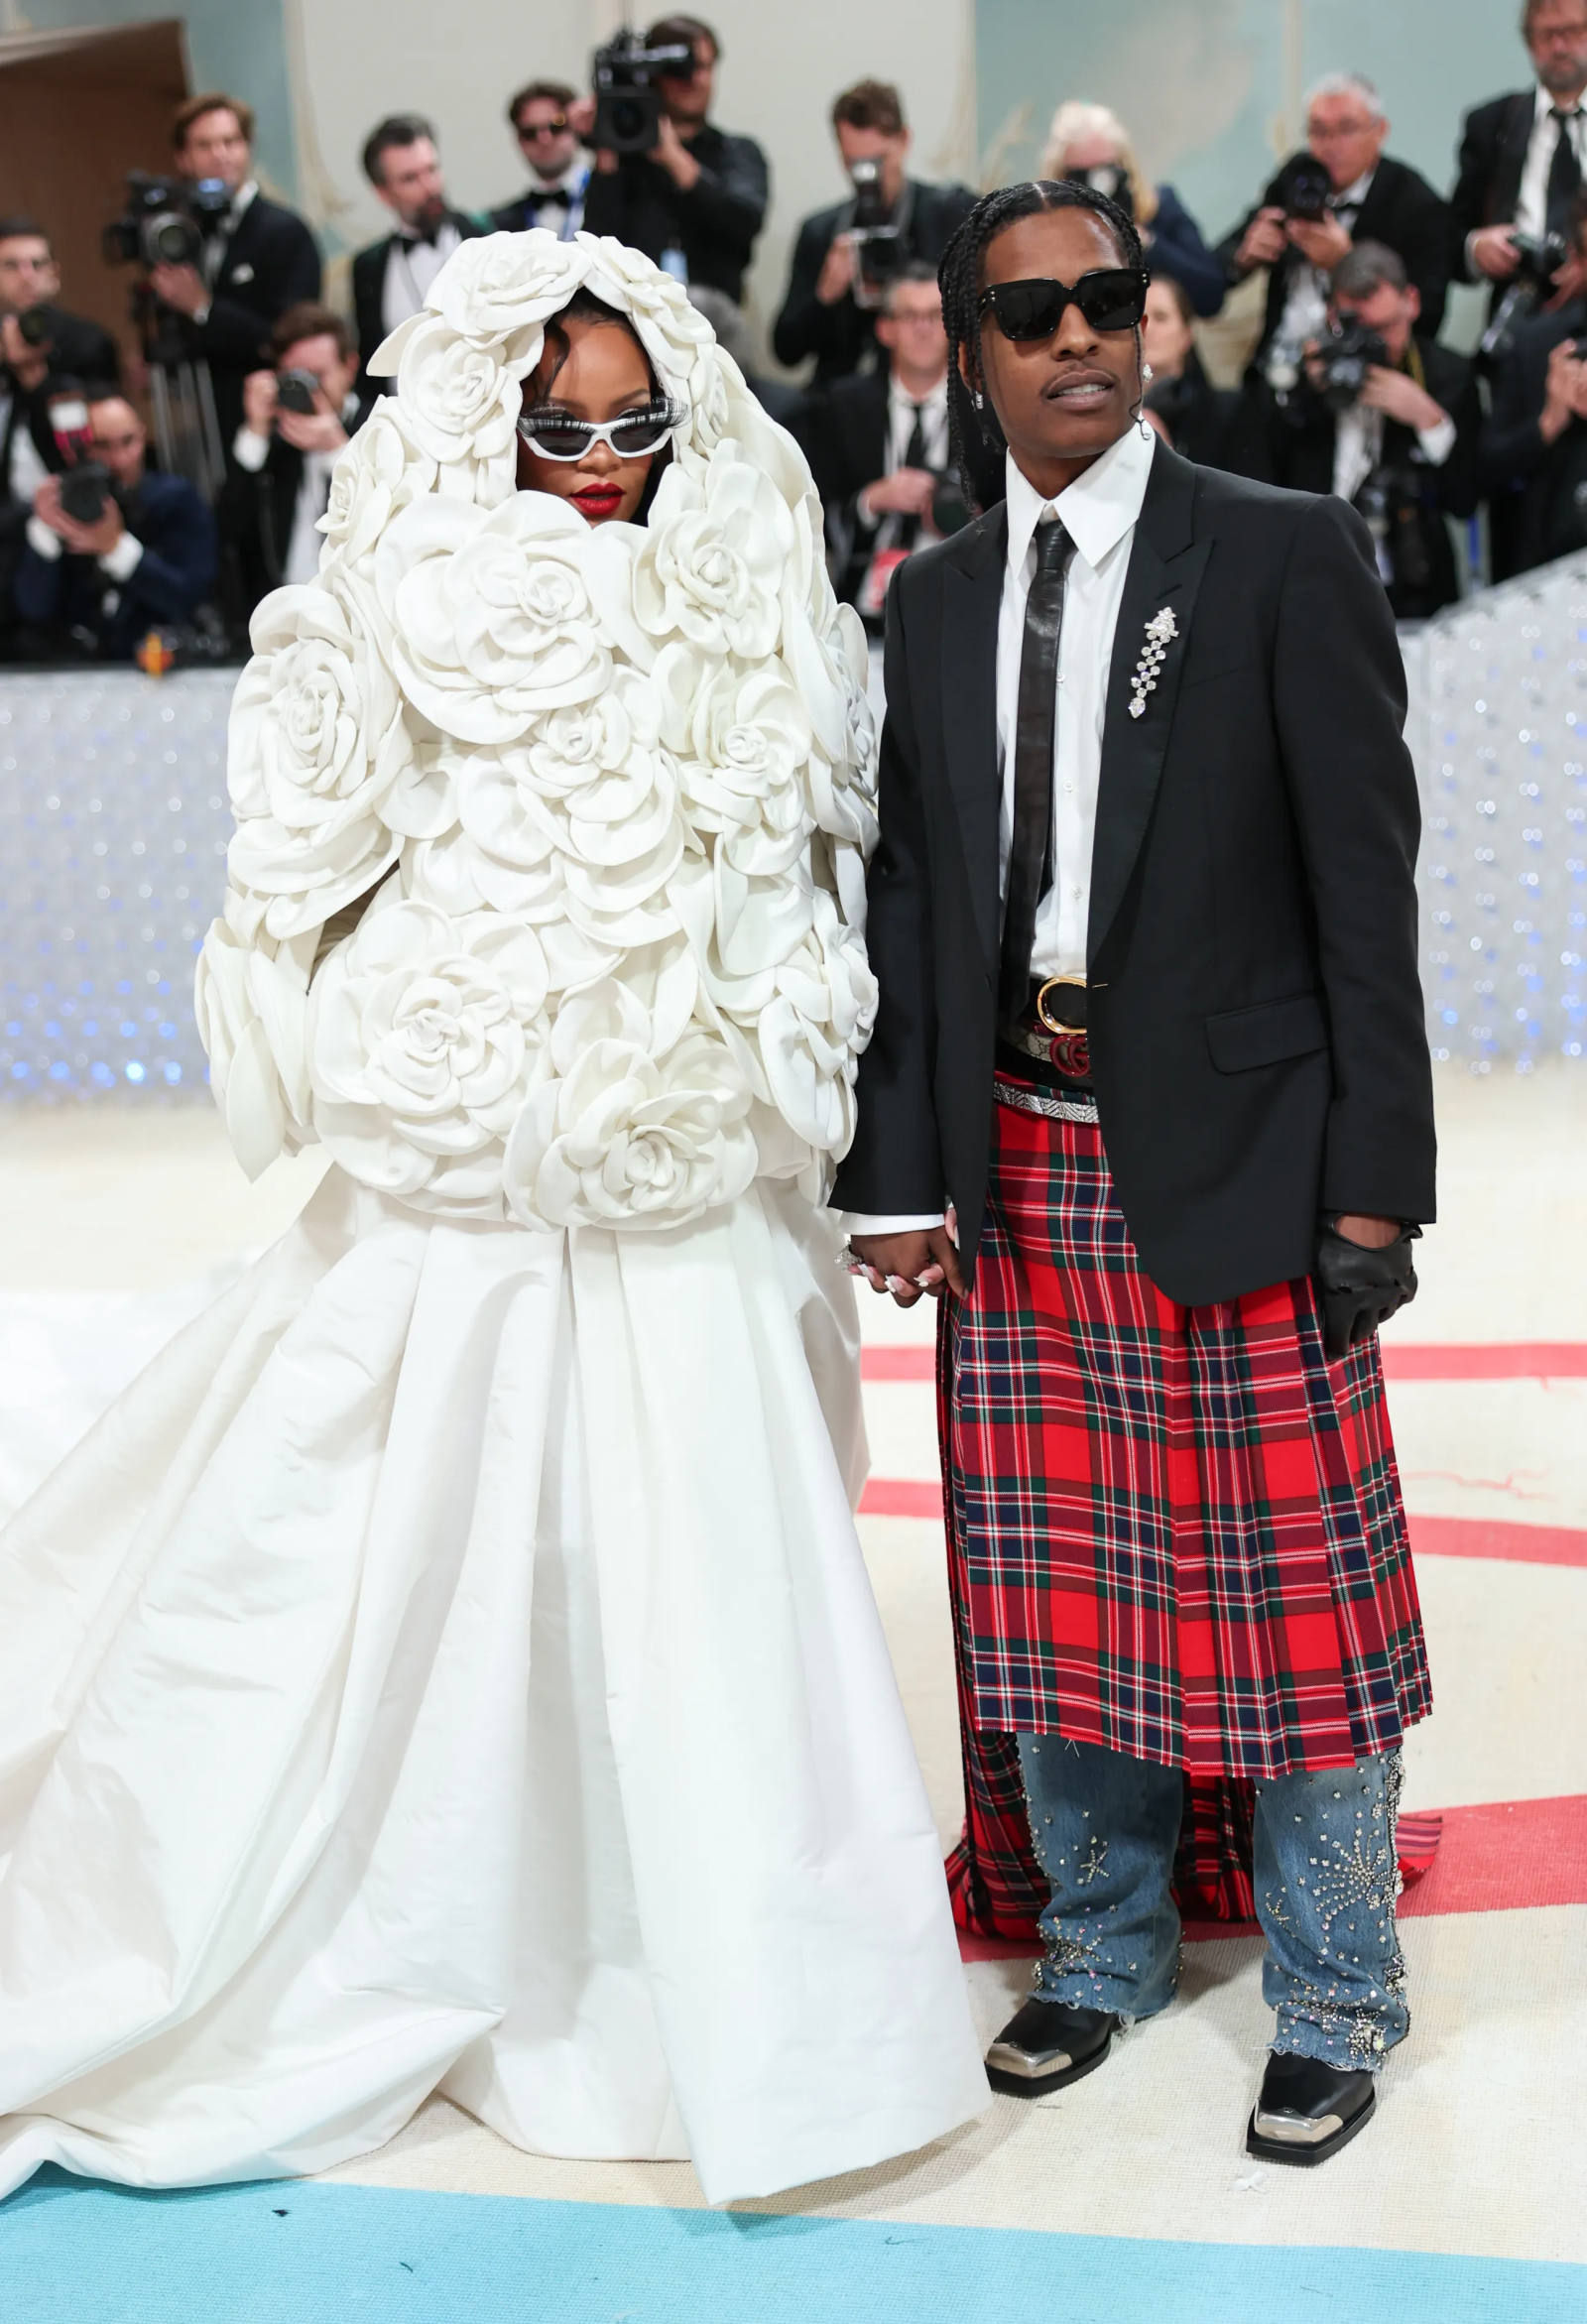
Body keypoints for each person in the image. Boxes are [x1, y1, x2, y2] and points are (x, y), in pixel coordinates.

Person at [0, 229, 987, 2207]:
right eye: (562, 427)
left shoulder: (754, 580)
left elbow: (810, 854)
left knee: (704, 1555)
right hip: (469, 1138)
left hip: (692, 1153)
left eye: (634, 423)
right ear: (490, 418)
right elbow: (309, 847)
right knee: (422, 1536)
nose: (604, 461)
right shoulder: (398, 576)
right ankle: (427, 1922)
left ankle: (719, 1978)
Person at [837, 179, 1433, 2165]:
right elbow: (914, 902)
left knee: (1294, 1613)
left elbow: (1368, 892)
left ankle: (1333, 1991)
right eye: (1030, 312)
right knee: (1055, 1597)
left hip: (1249, 1157)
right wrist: (897, 1172)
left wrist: (1376, 1183)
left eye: (1110, 298)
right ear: (971, 345)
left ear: (1154, 321)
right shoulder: (921, 602)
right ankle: (1094, 1949)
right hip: (1015, 1164)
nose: (1077, 334)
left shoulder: (1273, 552)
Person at [1250, 242, 1479, 621]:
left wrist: (1429, 421)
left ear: (1412, 302)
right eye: (1358, 329)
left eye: (1386, 327)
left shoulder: (1447, 377)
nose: (1373, 344)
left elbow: (1465, 500)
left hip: (1415, 583)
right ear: (1331, 316)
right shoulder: (1306, 382)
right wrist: (1304, 396)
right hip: (1318, 581)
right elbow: (1265, 485)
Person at [1220, 74, 1449, 389]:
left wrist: (1346, 263)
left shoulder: (1415, 203)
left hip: (1359, 376)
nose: (1330, 145)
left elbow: (1427, 319)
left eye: (1346, 129)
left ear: (1380, 131)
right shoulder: (1298, 174)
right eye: (1318, 131)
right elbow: (1221, 259)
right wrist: (1246, 255)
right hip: (1277, 366)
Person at [146, 92, 322, 447]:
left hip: (279, 424)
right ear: (184, 158)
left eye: (230, 141)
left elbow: (292, 341)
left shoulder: (285, 231)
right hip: (210, 423)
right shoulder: (185, 235)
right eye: (205, 145)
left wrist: (203, 307)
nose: (220, 154)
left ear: (247, 147)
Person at [773, 79, 976, 387]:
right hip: (842, 400)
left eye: (878, 161)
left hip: (936, 395)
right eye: (856, 165)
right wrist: (825, 296)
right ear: (841, 156)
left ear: (904, 140)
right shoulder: (822, 232)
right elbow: (785, 350)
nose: (869, 178)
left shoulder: (950, 217)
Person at [804, 262, 962, 619]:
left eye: (934, 315)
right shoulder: (842, 405)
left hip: (958, 597)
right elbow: (812, 509)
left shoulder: (982, 408)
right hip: (861, 601)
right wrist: (871, 500)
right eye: (909, 316)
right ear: (885, 328)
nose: (923, 330)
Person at [12, 385, 216, 658]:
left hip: (160, 660)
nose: (119, 459)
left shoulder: (177, 500)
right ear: (78, 449)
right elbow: (33, 610)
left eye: (128, 441)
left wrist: (116, 548)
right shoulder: (60, 507)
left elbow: (190, 600)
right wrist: (45, 532)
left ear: (143, 436)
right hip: (79, 667)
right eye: (102, 446)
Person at [582, 16, 767, 306]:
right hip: (632, 323)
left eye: (706, 67)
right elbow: (595, 248)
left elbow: (744, 222)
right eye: (685, 69)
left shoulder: (738, 152)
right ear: (656, 74)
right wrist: (608, 134)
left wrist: (673, 157)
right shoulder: (623, 161)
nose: (698, 80)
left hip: (716, 327)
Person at [219, 302, 376, 618]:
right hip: (283, 620)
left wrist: (337, 451)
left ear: (350, 366)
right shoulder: (275, 443)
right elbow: (229, 532)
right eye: (296, 378)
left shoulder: (379, 426)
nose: (309, 390)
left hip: (362, 618)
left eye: (317, 376)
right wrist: (255, 432)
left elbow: (390, 525)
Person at [1451, 0, 1587, 302]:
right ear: (1528, 43)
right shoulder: (1491, 124)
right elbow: (1450, 236)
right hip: (1520, 305)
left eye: (1573, 32)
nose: (1560, 47)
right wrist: (1476, 247)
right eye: (1546, 35)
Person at [1038, 101, 1224, 318]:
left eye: (1105, 174)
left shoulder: (1159, 210)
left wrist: (1144, 242)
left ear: (1124, 167)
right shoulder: (1043, 234)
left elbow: (1211, 297)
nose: (1094, 190)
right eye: (1079, 178)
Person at [1481, 188, 1587, 570]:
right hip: (1552, 566)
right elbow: (1488, 467)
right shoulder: (1535, 343)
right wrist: (1549, 422)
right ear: (1577, 258)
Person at [352, 116, 485, 388]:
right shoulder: (368, 268)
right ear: (383, 193)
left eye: (432, 169)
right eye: (410, 178)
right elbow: (370, 364)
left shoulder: (487, 236)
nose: (431, 187)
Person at [1138, 273, 1236, 466]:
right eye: (1138, 318)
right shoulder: (1108, 412)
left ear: (1187, 334)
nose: (1146, 329)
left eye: (1161, 317)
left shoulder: (1222, 415)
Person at [490, 80, 594, 237]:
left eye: (556, 127)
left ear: (576, 129)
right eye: (530, 133)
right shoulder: (498, 225)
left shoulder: (617, 199)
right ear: (519, 141)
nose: (544, 139)